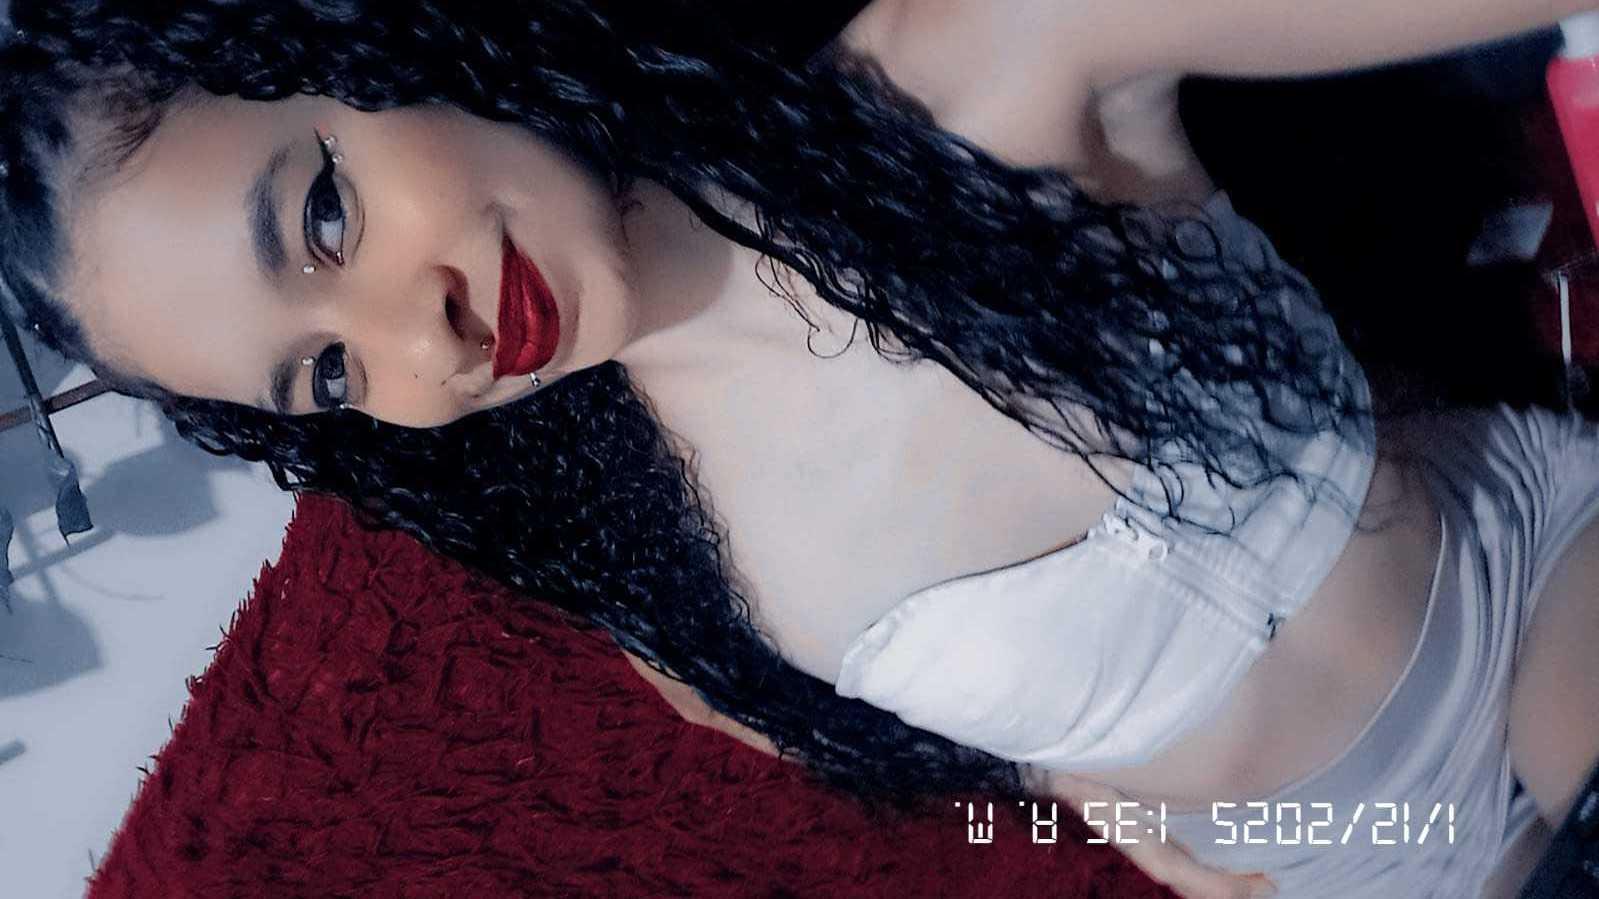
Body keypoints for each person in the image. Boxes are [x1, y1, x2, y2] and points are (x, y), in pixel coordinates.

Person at [3, 1, 1597, 895]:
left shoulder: (974, 76)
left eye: (325, 215)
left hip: (1535, 597)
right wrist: (1102, 803)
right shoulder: (669, 583)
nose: (429, 345)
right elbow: (968, 774)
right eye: (330, 374)